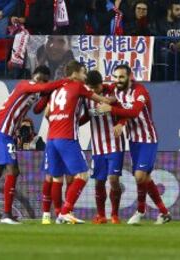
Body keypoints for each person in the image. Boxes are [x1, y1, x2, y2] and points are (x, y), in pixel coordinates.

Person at [0, 65, 71, 225]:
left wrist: (46, 95)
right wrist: (65, 81)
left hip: (2, 132)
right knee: (12, 170)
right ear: (33, 77)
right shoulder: (25, 84)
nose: (40, 83)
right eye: (38, 80)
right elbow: (45, 87)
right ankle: (6, 215)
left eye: (43, 81)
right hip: (2, 131)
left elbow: (37, 110)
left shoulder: (34, 91)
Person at [97, 64, 172, 225]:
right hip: (133, 140)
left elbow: (134, 112)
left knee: (139, 176)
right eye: (115, 77)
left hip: (147, 139)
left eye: (121, 77)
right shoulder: (115, 89)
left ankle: (140, 211)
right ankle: (164, 212)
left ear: (130, 77)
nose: (118, 80)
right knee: (144, 177)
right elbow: (101, 86)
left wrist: (110, 108)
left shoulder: (140, 91)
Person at [44, 60, 113, 225]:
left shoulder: (56, 90)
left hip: (51, 138)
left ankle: (59, 214)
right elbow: (101, 100)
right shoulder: (78, 86)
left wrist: (58, 121)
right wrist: (113, 100)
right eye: (83, 72)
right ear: (75, 73)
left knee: (57, 178)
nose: (85, 76)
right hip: (66, 137)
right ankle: (66, 212)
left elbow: (47, 113)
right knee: (83, 174)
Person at [80, 70, 125, 224]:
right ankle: (101, 215)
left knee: (113, 180)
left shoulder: (112, 91)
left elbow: (124, 109)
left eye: (95, 88)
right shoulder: (86, 96)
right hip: (97, 146)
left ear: (101, 84)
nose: (93, 92)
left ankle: (114, 214)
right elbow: (87, 115)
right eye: (90, 89)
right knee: (99, 181)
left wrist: (120, 123)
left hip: (115, 144)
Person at [156, 0, 180, 80]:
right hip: (167, 54)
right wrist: (170, 45)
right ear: (169, 11)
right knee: (164, 54)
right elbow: (158, 39)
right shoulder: (160, 24)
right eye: (177, 10)